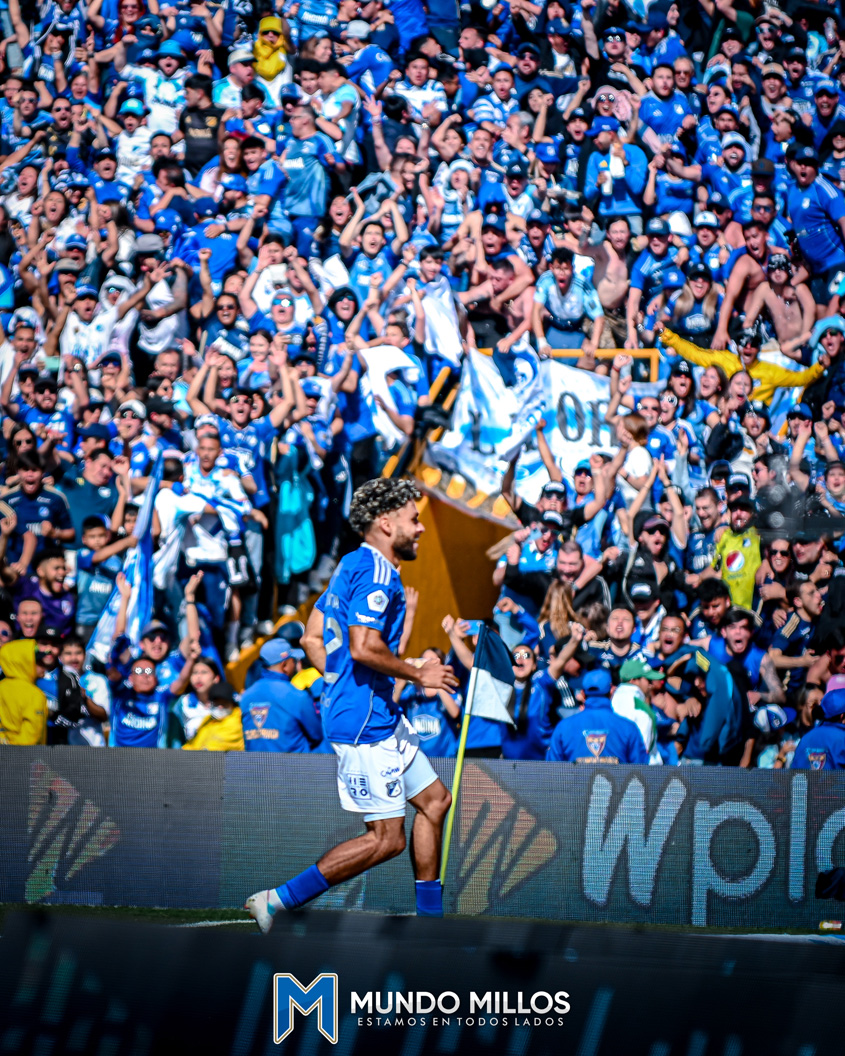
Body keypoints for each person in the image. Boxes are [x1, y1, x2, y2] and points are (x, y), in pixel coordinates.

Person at [245, 479, 457, 932]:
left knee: (436, 802)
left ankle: (431, 922)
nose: (420, 528)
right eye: (414, 519)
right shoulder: (378, 573)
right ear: (387, 523)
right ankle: (276, 900)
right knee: (386, 840)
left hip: (374, 712)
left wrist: (342, 682)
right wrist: (418, 674)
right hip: (366, 724)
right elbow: (362, 647)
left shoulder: (352, 562)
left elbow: (311, 638)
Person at [547, 667, 648, 764]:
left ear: (582, 693)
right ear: (611, 690)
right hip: (616, 777)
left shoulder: (564, 727)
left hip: (574, 777)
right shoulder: (628, 728)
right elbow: (641, 769)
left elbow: (552, 769)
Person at [240, 638, 323, 752]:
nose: (296, 664)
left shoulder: (246, 697)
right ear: (285, 665)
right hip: (294, 762)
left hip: (257, 763)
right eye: (293, 660)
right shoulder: (296, 696)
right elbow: (317, 734)